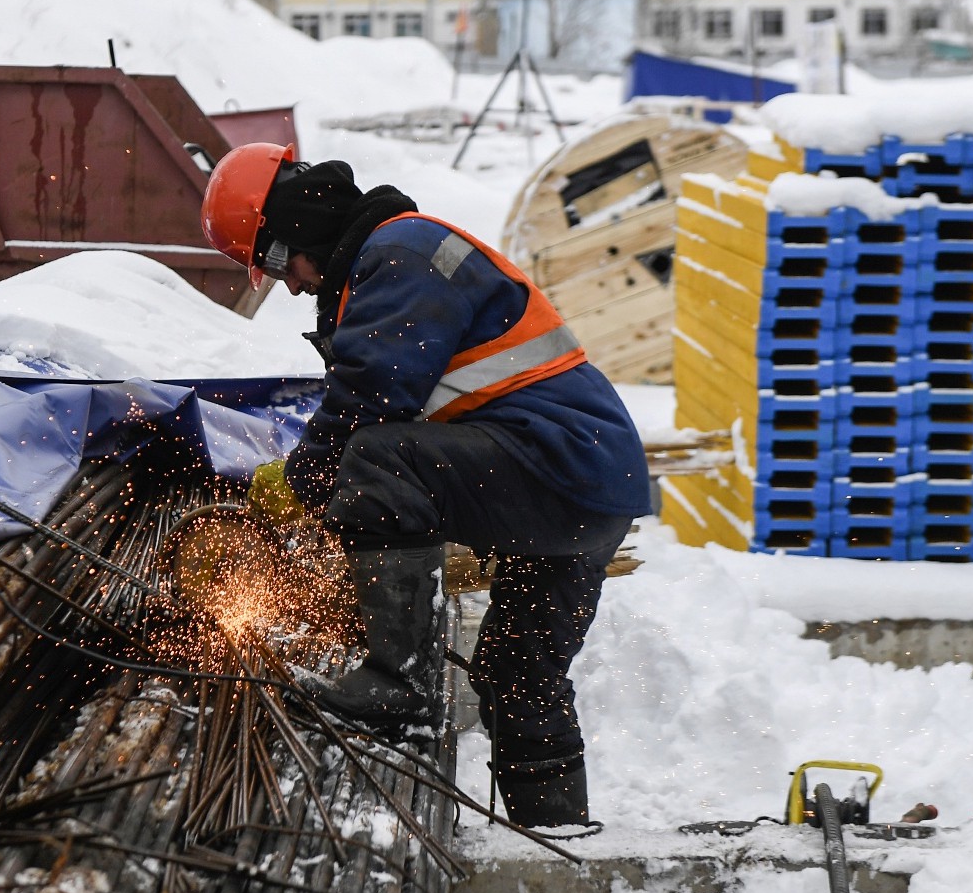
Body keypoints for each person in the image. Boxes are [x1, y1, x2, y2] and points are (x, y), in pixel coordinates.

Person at [200, 143, 650, 827]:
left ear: (298, 223)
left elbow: (370, 398)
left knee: (376, 457)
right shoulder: (390, 262)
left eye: (270, 261)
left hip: (558, 468)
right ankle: (557, 838)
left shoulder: (403, 252)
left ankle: (398, 684)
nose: (285, 283)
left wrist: (298, 483)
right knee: (516, 678)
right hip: (589, 485)